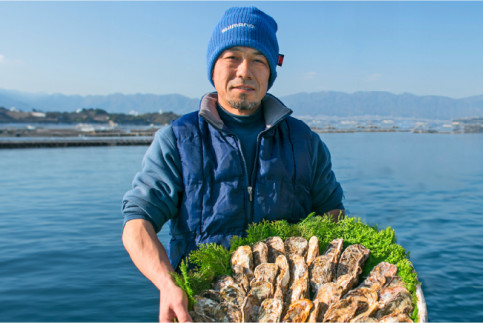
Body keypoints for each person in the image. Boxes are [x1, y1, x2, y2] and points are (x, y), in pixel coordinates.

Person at [121, 6, 344, 322]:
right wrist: (167, 282)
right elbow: (137, 224)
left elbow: (332, 214)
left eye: (258, 60)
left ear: (270, 72)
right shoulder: (177, 139)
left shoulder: (304, 141)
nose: (244, 70)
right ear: (213, 68)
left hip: (289, 311)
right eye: (232, 57)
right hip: (202, 307)